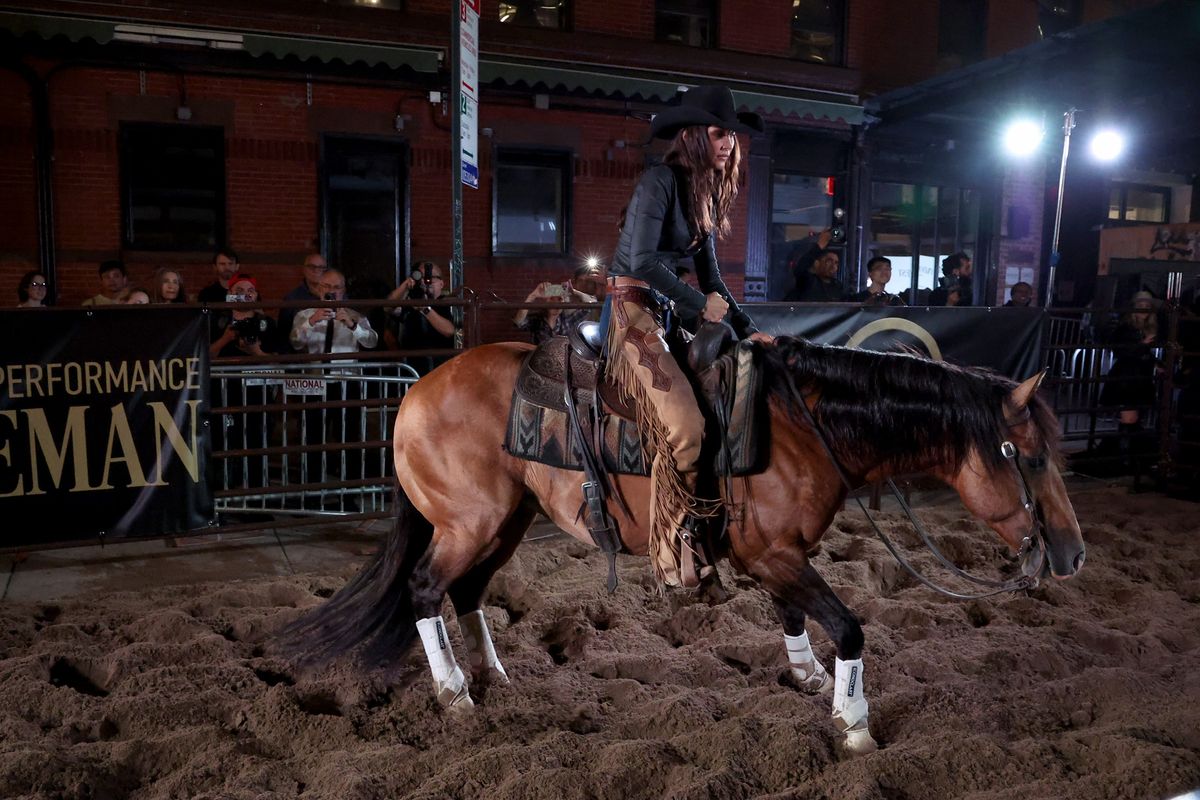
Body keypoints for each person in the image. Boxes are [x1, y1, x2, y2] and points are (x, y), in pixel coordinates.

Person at [604, 84, 772, 589]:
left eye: (734, 138)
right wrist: (699, 306)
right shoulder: (659, 180)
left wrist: (748, 330)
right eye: (721, 134)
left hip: (667, 314)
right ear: (697, 136)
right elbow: (640, 264)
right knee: (685, 425)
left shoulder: (702, 194)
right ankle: (666, 553)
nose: (729, 145)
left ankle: (702, 532)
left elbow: (714, 279)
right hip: (631, 310)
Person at [291, 269, 379, 487]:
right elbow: (295, 342)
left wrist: (351, 325)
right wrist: (312, 321)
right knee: (313, 438)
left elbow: (372, 341)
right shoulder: (305, 314)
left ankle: (347, 490)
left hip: (346, 383)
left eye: (336, 288)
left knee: (347, 437)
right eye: (327, 287)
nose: (332, 292)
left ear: (343, 291)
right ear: (319, 289)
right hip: (315, 384)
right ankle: (312, 489)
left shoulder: (355, 315)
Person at [209, 274, 281, 490]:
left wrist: (255, 352)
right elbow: (205, 356)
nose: (245, 294)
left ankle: (256, 495)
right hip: (224, 393)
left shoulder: (266, 323)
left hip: (257, 392)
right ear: (229, 295)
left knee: (257, 443)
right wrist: (225, 339)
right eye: (239, 290)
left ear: (257, 295)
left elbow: (278, 361)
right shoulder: (217, 320)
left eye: (250, 290)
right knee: (226, 444)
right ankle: (226, 495)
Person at [1099, 290, 1161, 471]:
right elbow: (1122, 352)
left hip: (1140, 379)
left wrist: (1156, 363)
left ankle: (1131, 458)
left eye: (1146, 307)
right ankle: (1125, 459)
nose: (1143, 310)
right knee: (1129, 418)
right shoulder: (1125, 328)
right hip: (1126, 379)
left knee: (1135, 418)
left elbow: (1144, 354)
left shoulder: (1147, 329)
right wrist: (1143, 346)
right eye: (1140, 306)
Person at [386, 261, 457, 375]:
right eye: (421, 278)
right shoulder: (410, 303)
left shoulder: (447, 304)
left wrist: (425, 309)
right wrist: (406, 285)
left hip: (440, 370)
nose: (426, 282)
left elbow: (449, 330)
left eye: (431, 278)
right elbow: (388, 307)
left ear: (441, 284)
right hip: (413, 370)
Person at [513, 264, 605, 344]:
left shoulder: (567, 321)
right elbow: (518, 322)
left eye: (559, 299)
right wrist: (532, 295)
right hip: (539, 360)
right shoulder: (538, 320)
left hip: (567, 356)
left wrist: (574, 292)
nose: (556, 303)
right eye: (552, 298)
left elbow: (590, 305)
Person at [279, 252, 328, 340]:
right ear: (304, 269)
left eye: (321, 267)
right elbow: (284, 333)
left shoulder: (335, 294)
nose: (316, 270)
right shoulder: (292, 298)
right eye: (312, 267)